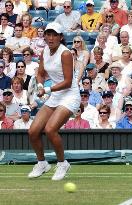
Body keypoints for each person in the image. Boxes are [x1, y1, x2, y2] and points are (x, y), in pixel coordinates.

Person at [28, 22, 80, 181]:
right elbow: (41, 73)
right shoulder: (44, 51)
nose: (50, 38)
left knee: (50, 129)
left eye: (54, 35)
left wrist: (47, 90)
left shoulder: (65, 54)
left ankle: (62, 163)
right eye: (48, 34)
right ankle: (42, 163)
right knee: (33, 131)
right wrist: (41, 85)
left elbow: (68, 81)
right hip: (55, 94)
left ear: (60, 37)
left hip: (70, 94)